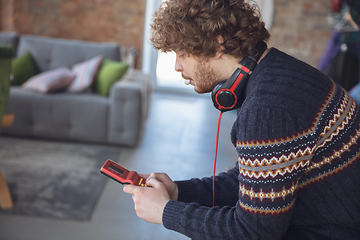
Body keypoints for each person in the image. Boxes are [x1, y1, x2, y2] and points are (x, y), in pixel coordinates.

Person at [123, 0, 360, 239]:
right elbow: (252, 181)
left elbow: (253, 231)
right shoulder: (278, 70)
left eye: (183, 54)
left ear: (217, 44)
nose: (177, 66)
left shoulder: (267, 109)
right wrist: (178, 192)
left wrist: (165, 211)